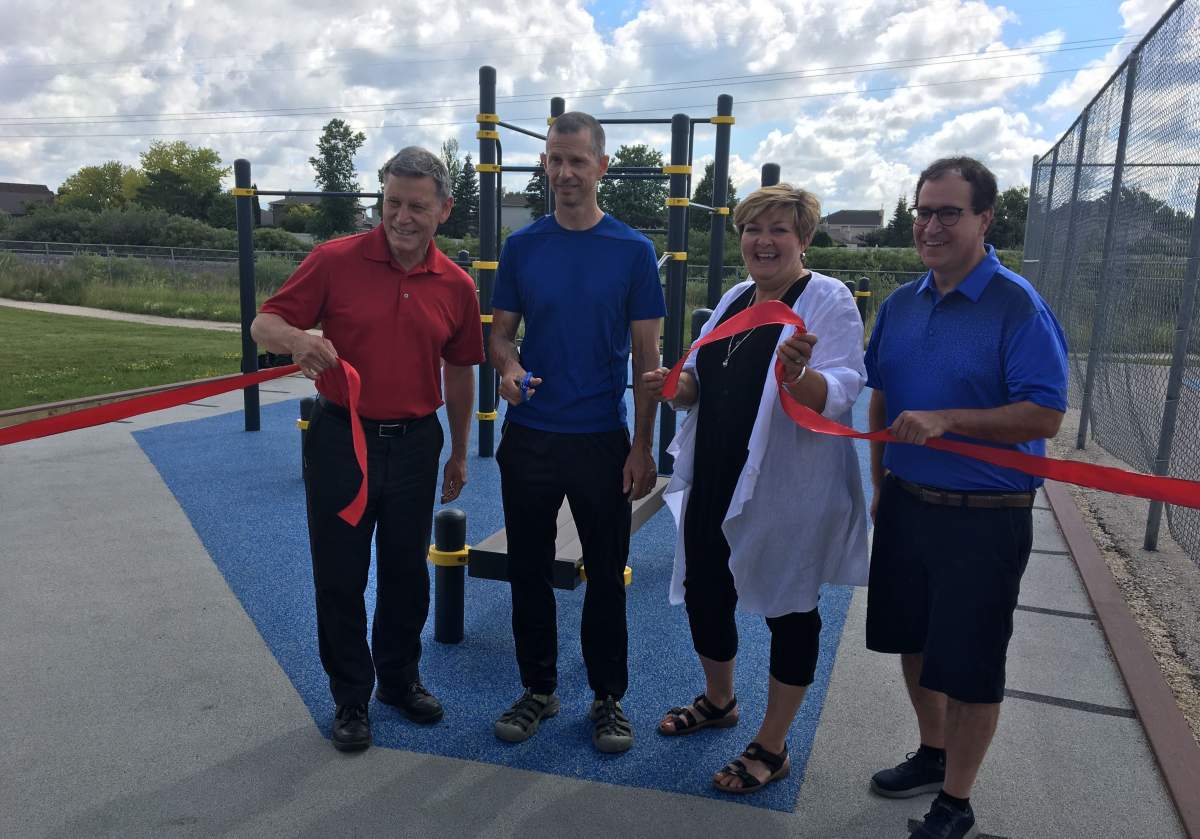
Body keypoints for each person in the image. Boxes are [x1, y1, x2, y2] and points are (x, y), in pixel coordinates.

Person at [250, 147, 484, 753]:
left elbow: (460, 372)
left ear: (444, 211)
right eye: (392, 203)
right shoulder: (335, 260)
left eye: (417, 206)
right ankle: (351, 695)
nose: (402, 217)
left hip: (415, 446)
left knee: (407, 572)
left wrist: (459, 452)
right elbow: (264, 324)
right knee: (341, 572)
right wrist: (299, 338)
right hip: (340, 441)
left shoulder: (456, 286)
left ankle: (400, 680)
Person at [864, 157, 1068, 838]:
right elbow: (883, 398)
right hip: (906, 502)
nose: (931, 224)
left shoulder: (1016, 304)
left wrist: (951, 419)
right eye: (924, 210)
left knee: (973, 663)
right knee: (913, 641)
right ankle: (932, 751)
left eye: (949, 212)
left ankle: (956, 800)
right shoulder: (900, 303)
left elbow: (1043, 415)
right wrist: (877, 484)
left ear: (985, 218)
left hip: (985, 517)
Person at [643, 183, 868, 793]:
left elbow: (843, 383)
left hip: (784, 485)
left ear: (804, 240)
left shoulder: (826, 298)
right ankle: (720, 701)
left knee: (789, 607)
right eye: (753, 229)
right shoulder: (737, 298)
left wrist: (801, 376)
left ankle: (773, 743)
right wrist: (672, 383)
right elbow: (696, 382)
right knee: (704, 593)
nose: (763, 242)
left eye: (778, 231)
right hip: (716, 475)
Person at [487, 111, 665, 754]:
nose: (564, 172)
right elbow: (500, 334)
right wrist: (507, 367)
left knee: (606, 573)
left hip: (600, 440)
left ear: (602, 167)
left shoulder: (633, 251)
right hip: (530, 435)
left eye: (577, 161)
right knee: (528, 573)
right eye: (554, 160)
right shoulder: (523, 247)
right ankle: (538, 688)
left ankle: (607, 698)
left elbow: (649, 361)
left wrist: (643, 445)